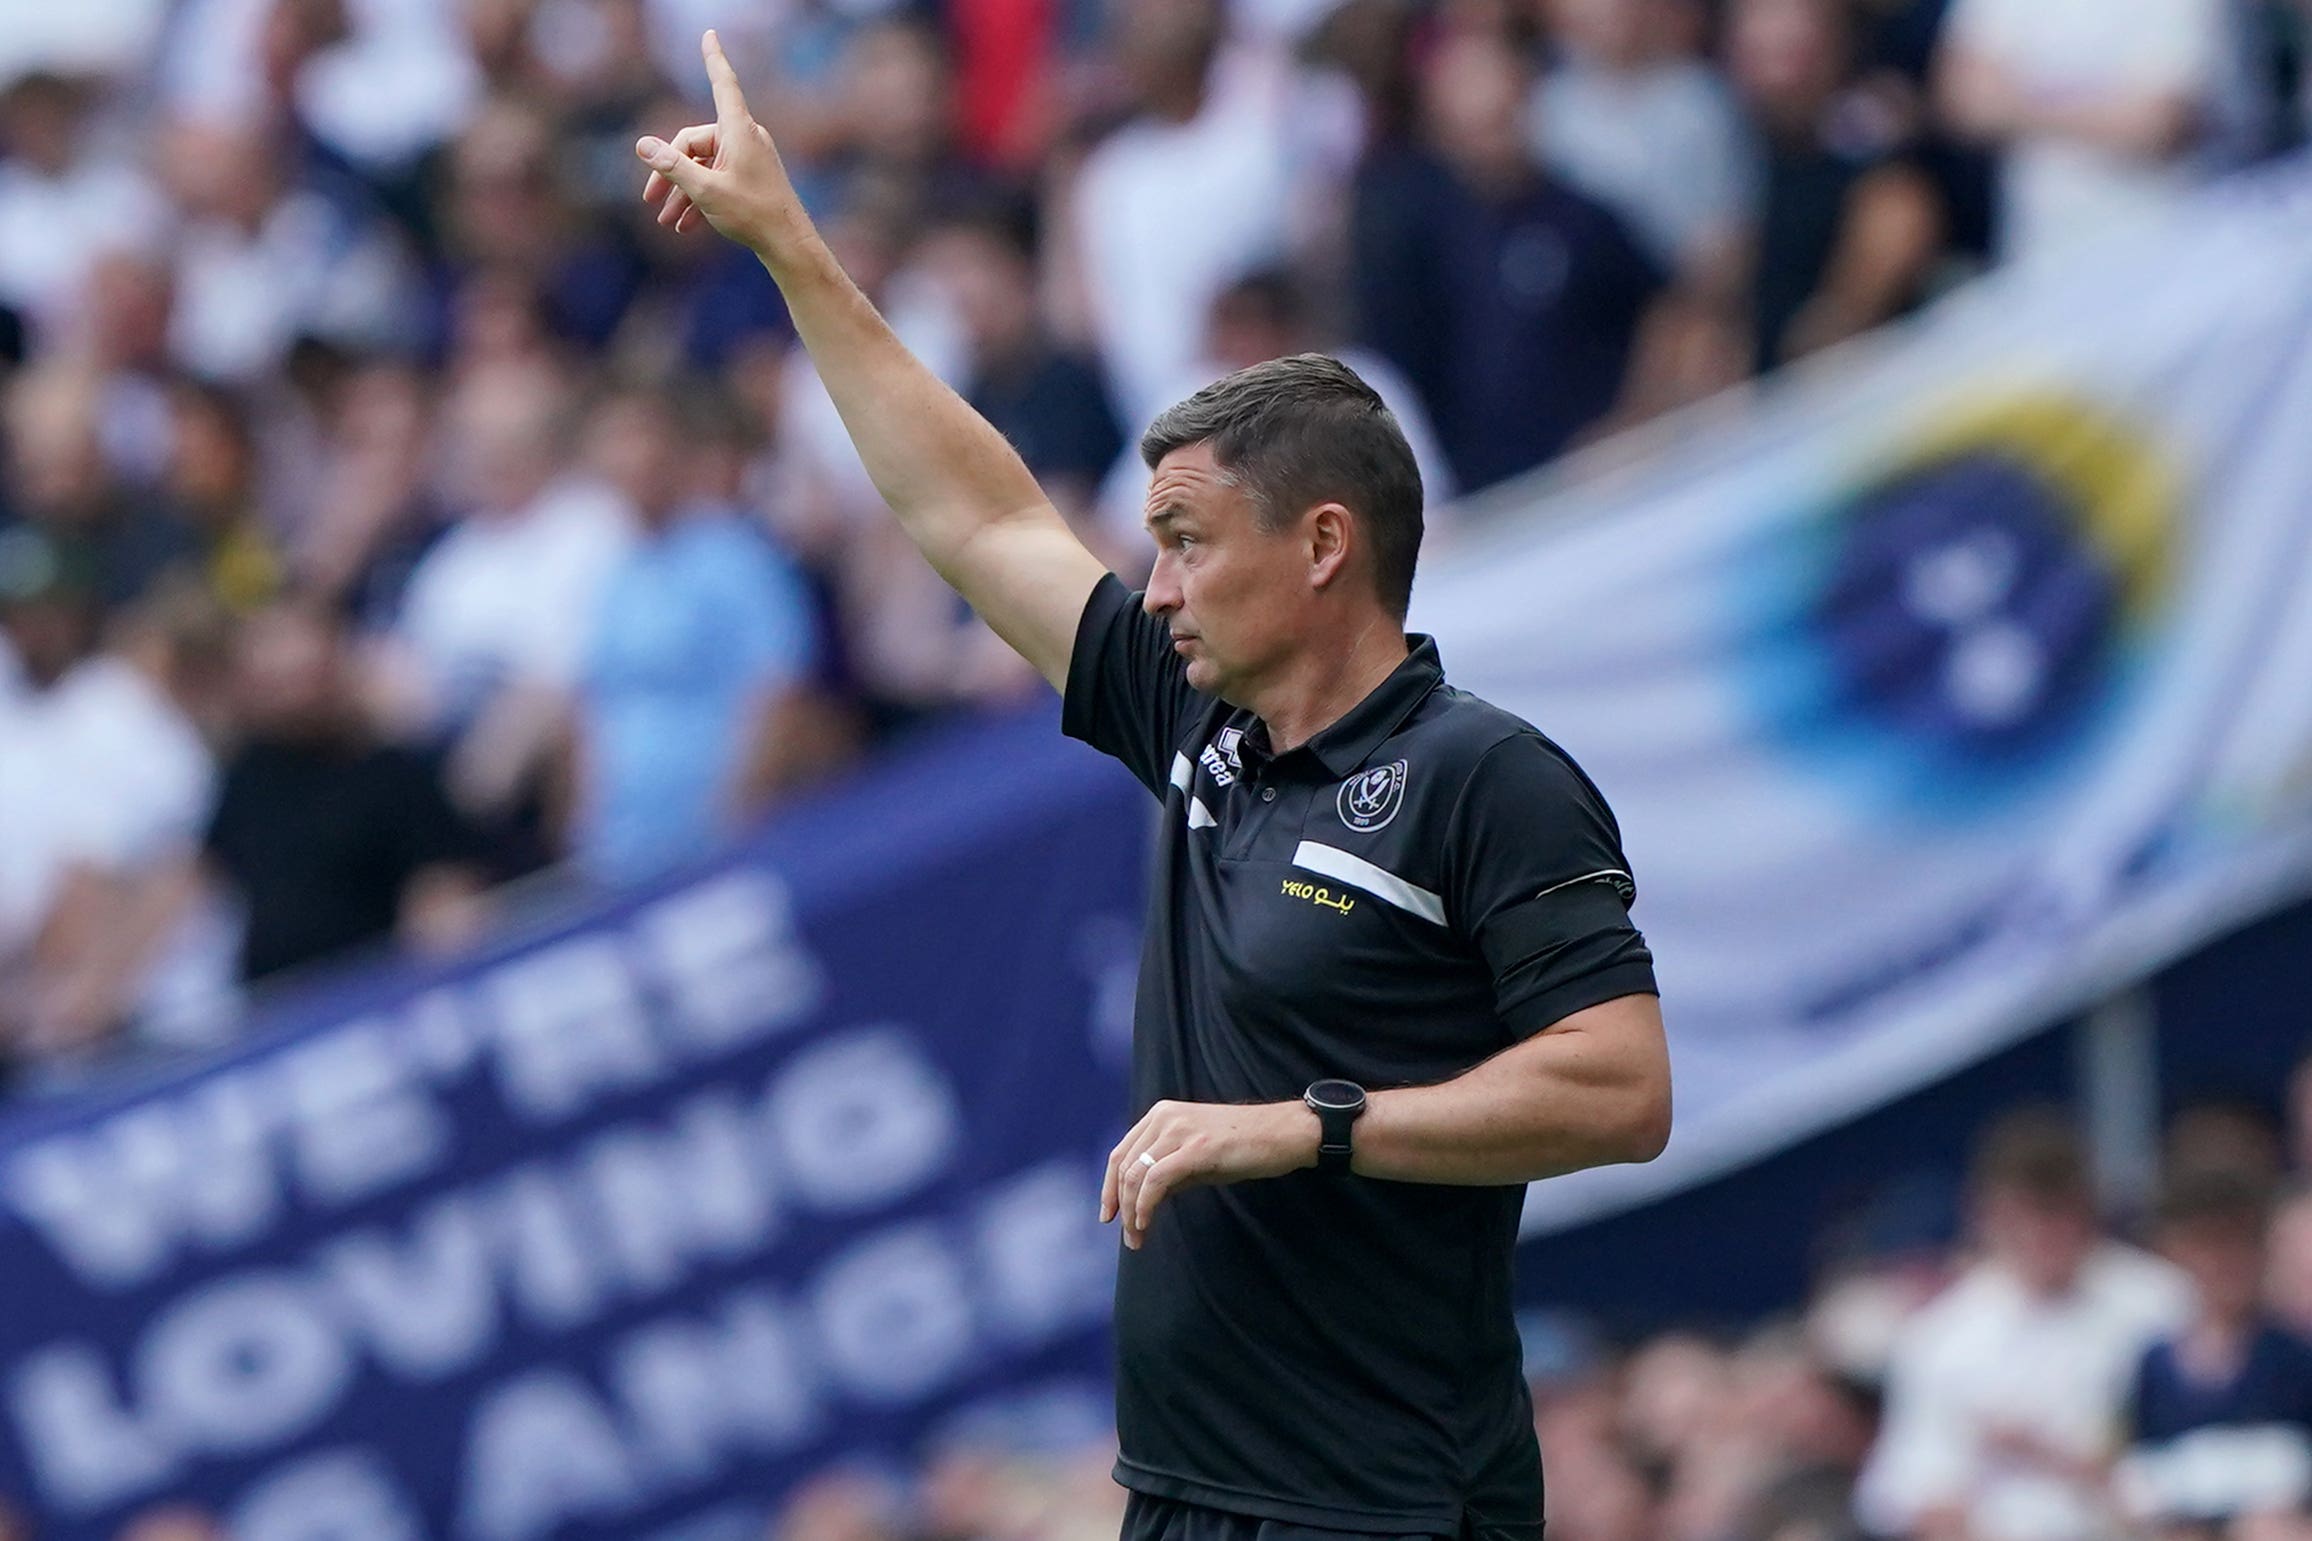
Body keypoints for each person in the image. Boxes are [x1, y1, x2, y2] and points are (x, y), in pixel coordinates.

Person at [636, 31, 1671, 1540]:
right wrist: (796, 251)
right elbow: (976, 516)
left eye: (1189, 540)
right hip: (1186, 1497)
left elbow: (1624, 1088)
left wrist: (1307, 1122)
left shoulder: (1481, 776)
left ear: (1323, 546)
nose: (1158, 585)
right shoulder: (1196, 728)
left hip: (1387, 1505)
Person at [1856, 1108, 2192, 1541]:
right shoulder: (1941, 1337)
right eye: (2024, 1218)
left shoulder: (2161, 1304)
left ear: (2090, 1206)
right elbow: (1907, 1486)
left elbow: (2187, 1462)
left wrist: (2053, 1457)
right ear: (1987, 1217)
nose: (2042, 1235)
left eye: (2057, 1215)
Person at [2117, 1168, 2312, 1535]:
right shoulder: (2154, 1365)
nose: (2223, 1264)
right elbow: (2138, 1482)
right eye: (2208, 1247)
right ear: (2178, 1253)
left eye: (2237, 1246)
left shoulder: (2296, 1360)